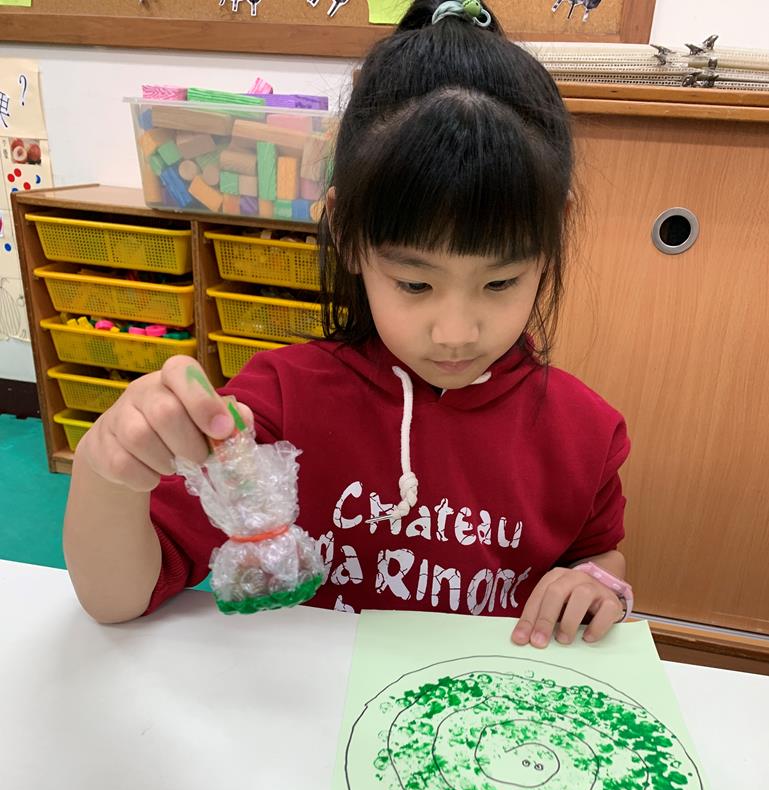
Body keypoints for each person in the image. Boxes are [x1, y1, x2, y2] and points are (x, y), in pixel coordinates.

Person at [64, 0, 632, 647]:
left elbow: (599, 555)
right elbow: (117, 600)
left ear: (552, 236)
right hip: (314, 702)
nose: (455, 332)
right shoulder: (279, 403)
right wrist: (106, 469)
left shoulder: (586, 432)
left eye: (499, 283)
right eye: (414, 283)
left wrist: (595, 583)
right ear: (346, 232)